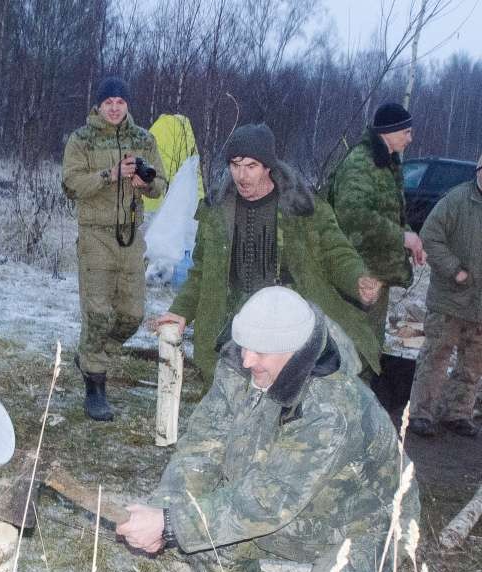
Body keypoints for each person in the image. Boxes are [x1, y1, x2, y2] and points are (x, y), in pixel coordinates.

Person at [118, 287, 420, 572]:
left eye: (259, 353)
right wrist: (167, 508)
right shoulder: (244, 356)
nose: (246, 360)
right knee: (203, 516)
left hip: (370, 514)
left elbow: (265, 502)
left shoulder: (332, 408)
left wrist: (173, 524)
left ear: (296, 353)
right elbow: (204, 442)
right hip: (293, 495)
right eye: (242, 348)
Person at [156, 123, 382, 391]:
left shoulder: (302, 208)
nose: (241, 175)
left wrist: (357, 279)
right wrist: (180, 311)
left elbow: (336, 253)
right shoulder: (217, 210)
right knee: (225, 395)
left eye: (251, 166)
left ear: (268, 167)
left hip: (287, 316)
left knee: (286, 395)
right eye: (235, 164)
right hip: (230, 320)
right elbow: (201, 271)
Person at [62, 76, 166, 421]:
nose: (115, 107)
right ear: (99, 105)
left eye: (121, 101)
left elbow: (160, 184)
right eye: (109, 102)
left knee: (132, 315)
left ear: (127, 105)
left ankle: (92, 354)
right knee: (98, 313)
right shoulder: (81, 139)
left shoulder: (144, 139)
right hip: (95, 235)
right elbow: (72, 184)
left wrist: (145, 182)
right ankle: (95, 386)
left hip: (131, 236)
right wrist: (111, 174)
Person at [329, 102, 426, 348]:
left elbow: (388, 214)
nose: (410, 138)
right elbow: (353, 215)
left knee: (370, 346)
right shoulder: (362, 162)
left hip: (375, 272)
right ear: (389, 131)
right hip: (359, 273)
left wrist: (410, 237)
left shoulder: (384, 162)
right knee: (356, 348)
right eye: (406, 132)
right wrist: (402, 238)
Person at [408, 155, 482, 438]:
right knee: (435, 357)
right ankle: (421, 414)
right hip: (450, 298)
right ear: (478, 171)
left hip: (480, 304)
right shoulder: (457, 200)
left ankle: (458, 413)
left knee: (473, 363)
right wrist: (455, 270)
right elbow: (430, 237)